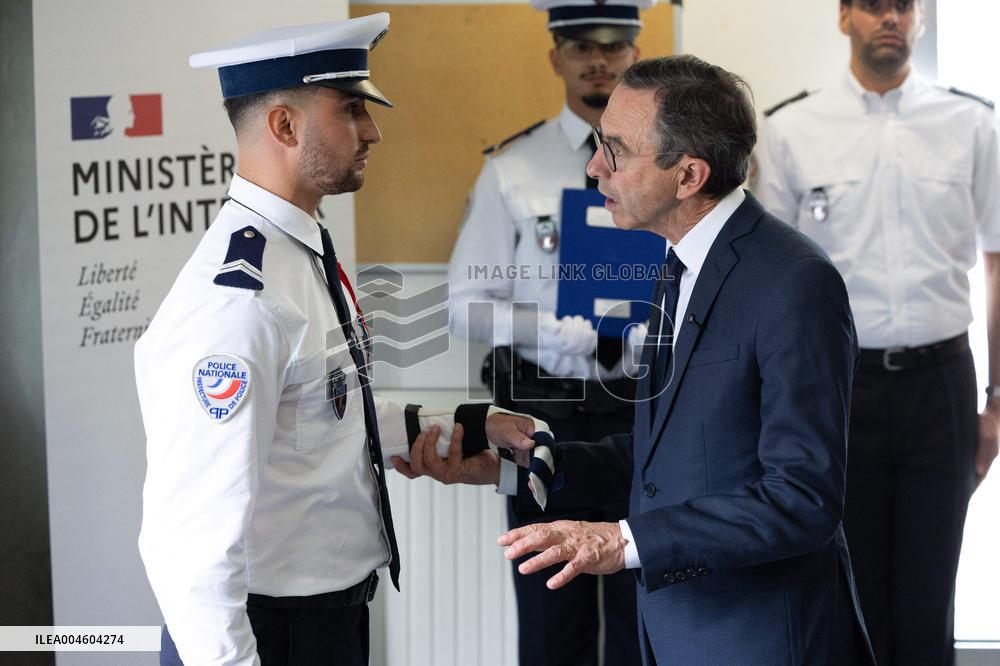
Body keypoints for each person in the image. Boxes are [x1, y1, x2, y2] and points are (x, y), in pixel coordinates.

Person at [134, 14, 540, 666]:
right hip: (266, 635)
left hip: (327, 616)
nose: (373, 130)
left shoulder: (300, 247)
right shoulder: (238, 301)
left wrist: (464, 424)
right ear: (285, 127)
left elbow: (323, 411)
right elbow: (189, 539)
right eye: (351, 109)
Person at [470, 54, 878, 665]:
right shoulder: (678, 260)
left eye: (616, 150)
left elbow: (802, 499)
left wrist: (622, 540)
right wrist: (529, 461)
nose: (593, 165)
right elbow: (674, 454)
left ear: (687, 176)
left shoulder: (794, 281)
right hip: (681, 632)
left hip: (760, 639)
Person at [753, 1, 1000, 663]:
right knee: (847, 594)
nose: (888, 16)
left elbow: (997, 260)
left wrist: (997, 401)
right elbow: (768, 280)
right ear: (844, 18)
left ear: (919, 19)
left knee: (928, 598)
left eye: (903, 4)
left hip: (941, 386)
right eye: (871, 4)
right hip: (836, 389)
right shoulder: (791, 129)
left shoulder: (973, 123)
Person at [445, 1, 650, 663]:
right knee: (549, 612)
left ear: (634, 55)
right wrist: (552, 334)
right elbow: (462, 306)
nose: (598, 60)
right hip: (543, 418)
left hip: (639, 415)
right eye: (581, 46)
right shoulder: (512, 166)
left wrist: (653, 335)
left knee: (641, 606)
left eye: (613, 46)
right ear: (555, 57)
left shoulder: (666, 163)